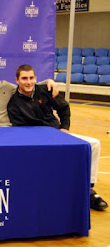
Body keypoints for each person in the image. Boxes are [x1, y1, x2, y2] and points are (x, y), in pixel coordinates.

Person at [7, 64, 108, 211]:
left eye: (31, 78)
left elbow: (64, 108)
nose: (28, 82)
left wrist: (64, 128)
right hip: (38, 141)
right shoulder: (14, 103)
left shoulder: (46, 90)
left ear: (35, 78)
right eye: (24, 78)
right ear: (17, 80)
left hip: (59, 134)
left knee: (94, 144)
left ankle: (88, 189)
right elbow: (21, 129)